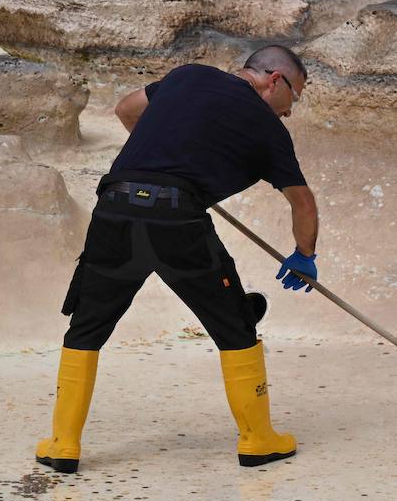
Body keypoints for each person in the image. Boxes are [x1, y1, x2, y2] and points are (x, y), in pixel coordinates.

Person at [34, 45, 319, 473]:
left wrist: (161, 162)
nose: (290, 111)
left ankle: (62, 445)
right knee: (235, 324)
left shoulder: (188, 75)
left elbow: (127, 109)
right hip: (177, 220)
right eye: (295, 96)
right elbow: (302, 202)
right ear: (274, 80)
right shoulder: (268, 128)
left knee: (87, 325)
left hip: (115, 207)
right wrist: (304, 255)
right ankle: (259, 441)